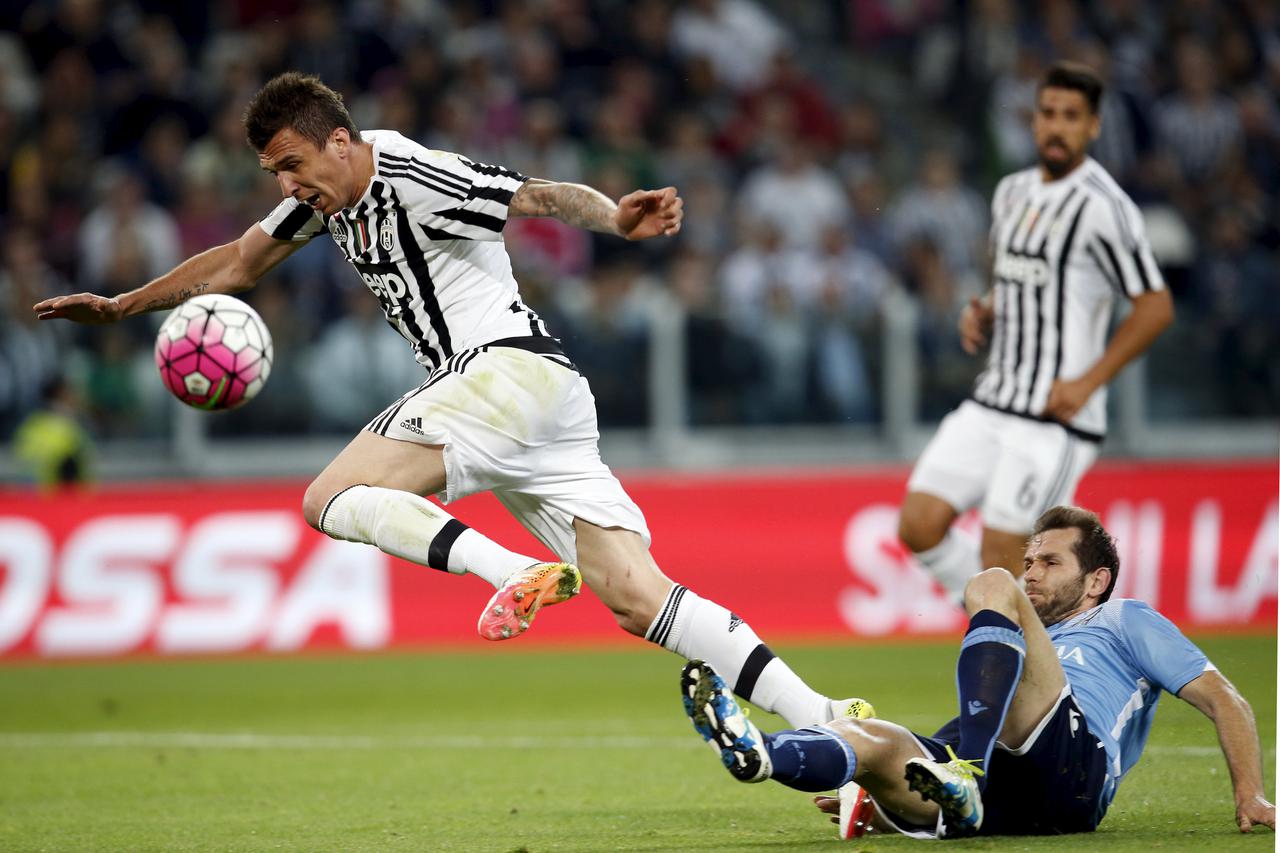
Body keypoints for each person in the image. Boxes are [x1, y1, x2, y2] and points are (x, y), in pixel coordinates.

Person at [33, 72, 851, 730]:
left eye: (293, 164)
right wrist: (119, 305)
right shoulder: (326, 201)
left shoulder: (415, 174)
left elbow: (532, 195)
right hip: (545, 397)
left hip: (502, 372)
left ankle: (511, 568)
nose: (286, 184)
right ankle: (828, 721)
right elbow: (240, 263)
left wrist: (613, 217)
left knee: (331, 497)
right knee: (640, 598)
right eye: (273, 173)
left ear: (343, 143)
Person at [681, 505, 1276, 838]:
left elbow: (1227, 699)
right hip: (1003, 799)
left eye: (1050, 561)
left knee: (990, 583)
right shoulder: (1018, 641)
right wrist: (886, 803)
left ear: (1096, 580)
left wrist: (1249, 794)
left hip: (1074, 771)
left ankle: (964, 769)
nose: (1033, 572)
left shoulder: (1125, 619)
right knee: (874, 740)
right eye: (1030, 560)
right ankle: (762, 752)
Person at [898, 62, 1175, 597]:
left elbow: (1155, 306)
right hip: (994, 398)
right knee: (919, 524)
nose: (1056, 126)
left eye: (1071, 116)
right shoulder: (1011, 193)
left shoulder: (1105, 207)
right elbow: (1028, 281)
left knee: (1002, 556)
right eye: (1048, 113)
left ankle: (1014, 648)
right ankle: (1007, 630)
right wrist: (987, 309)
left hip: (1053, 418)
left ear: (1093, 126)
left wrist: (1088, 383)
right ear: (1033, 119)